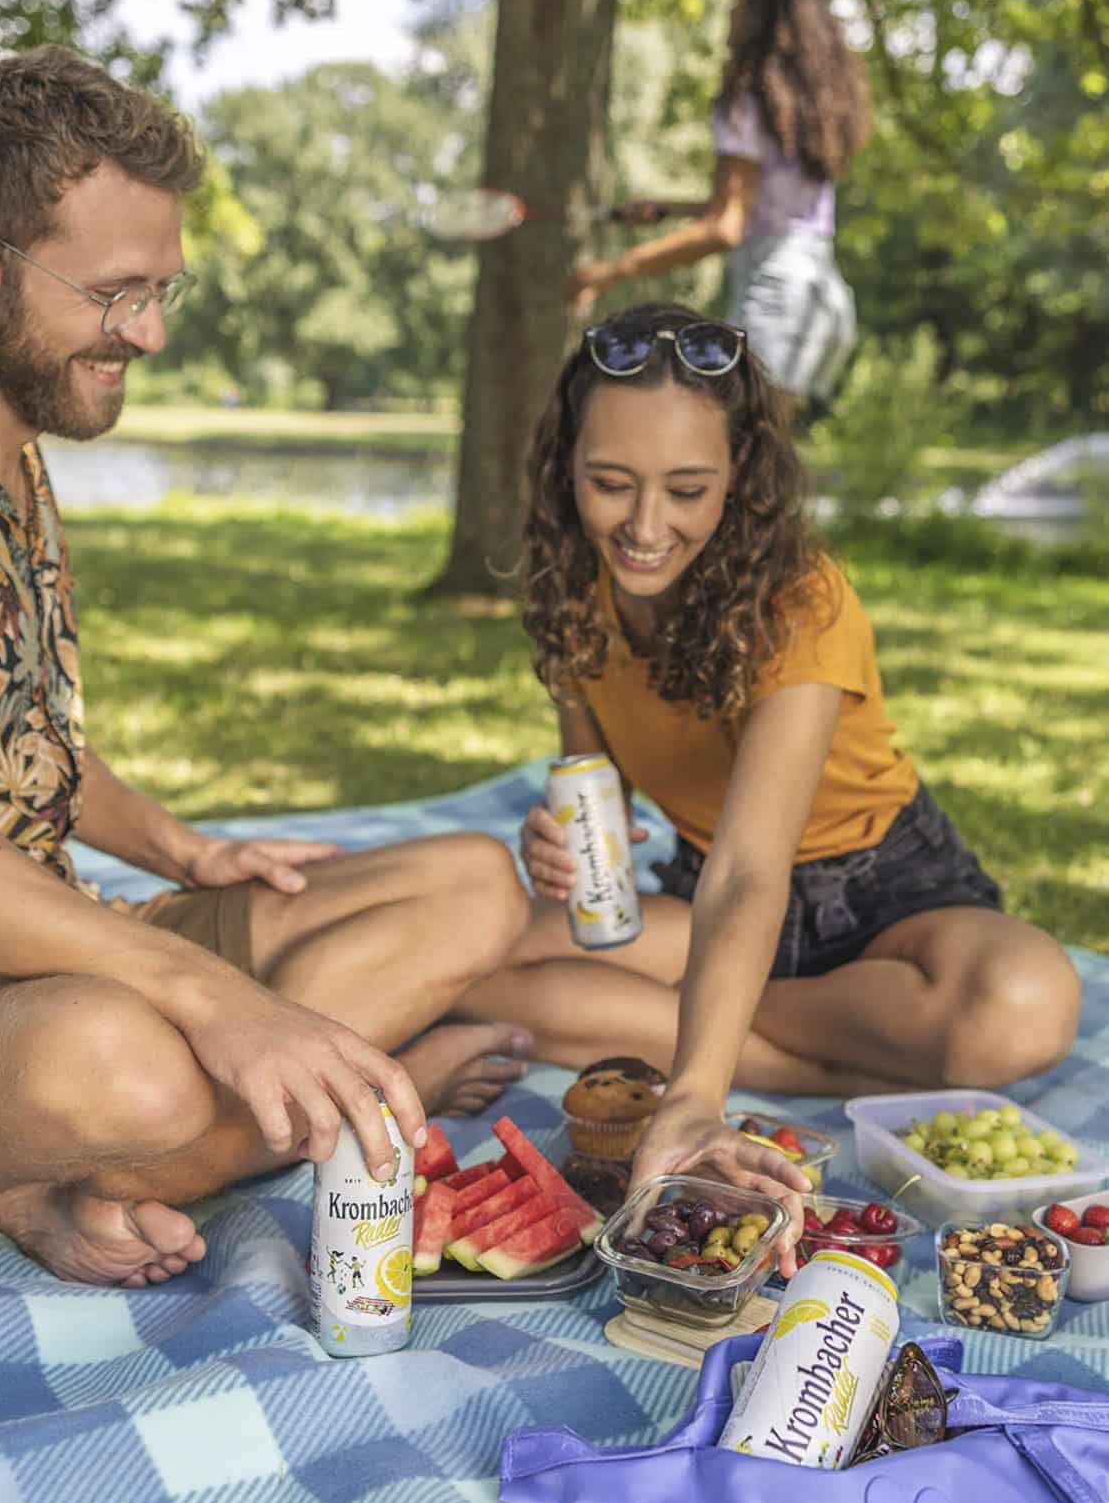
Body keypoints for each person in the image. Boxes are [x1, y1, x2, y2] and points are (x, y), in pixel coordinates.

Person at [0, 45, 535, 1288]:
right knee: (131, 1062)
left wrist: (188, 853)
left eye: (162, 289)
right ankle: (321, 1097)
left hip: (35, 927)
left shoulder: (8, 451)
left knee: (474, 882)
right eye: (114, 293)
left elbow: (29, 740)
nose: (147, 332)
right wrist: (213, 997)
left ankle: (84, 1165)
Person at [454, 303, 1081, 1234]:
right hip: (713, 895)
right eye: (611, 483)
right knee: (478, 967)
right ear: (565, 467)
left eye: (687, 489)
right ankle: (837, 1060)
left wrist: (693, 1092)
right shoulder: (573, 599)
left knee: (1027, 1003)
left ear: (740, 478)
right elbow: (602, 809)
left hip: (884, 898)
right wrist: (565, 848)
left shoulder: (801, 600)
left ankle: (701, 1023)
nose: (645, 525)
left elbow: (755, 867)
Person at [568, 0, 870, 417]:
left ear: (760, 19)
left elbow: (725, 228)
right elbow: (757, 210)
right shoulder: (805, 112)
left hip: (777, 301)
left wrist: (611, 271)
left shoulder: (748, 102)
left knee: (736, 451)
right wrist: (669, 208)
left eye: (740, 5)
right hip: (823, 298)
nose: (731, 13)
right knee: (761, 451)